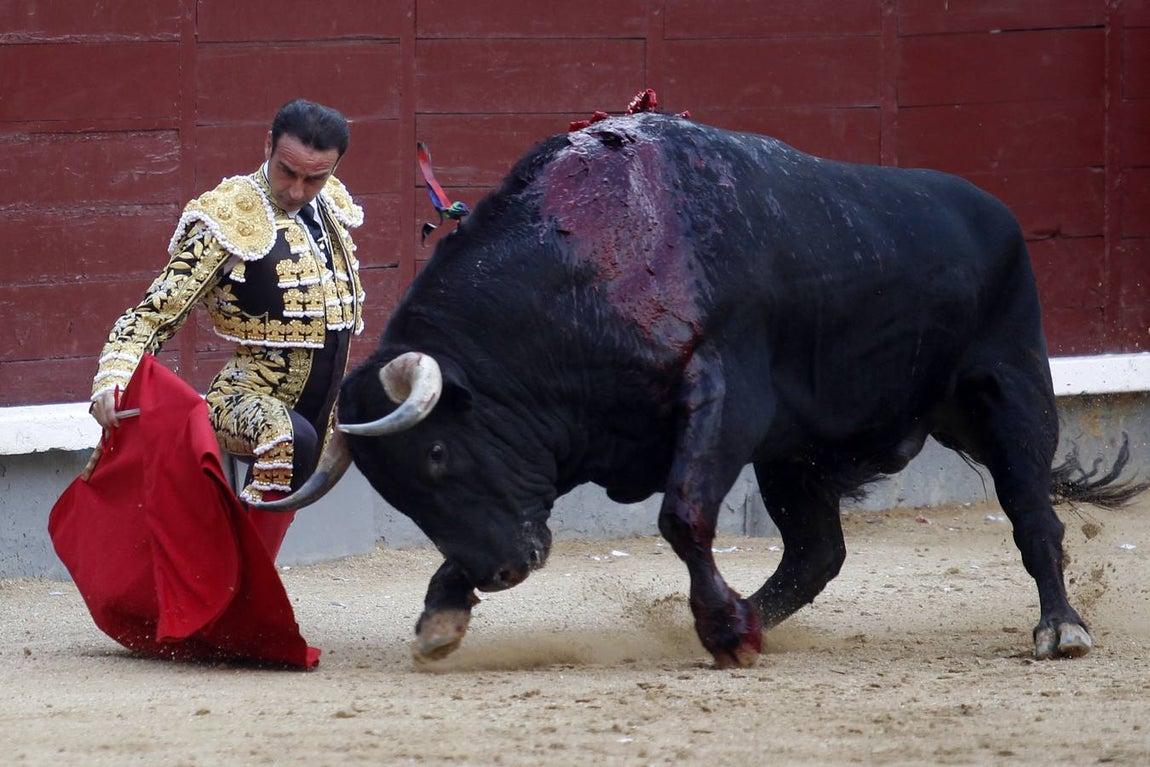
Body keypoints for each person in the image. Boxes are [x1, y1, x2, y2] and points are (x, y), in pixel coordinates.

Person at [86, 98, 365, 558]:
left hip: (319, 408)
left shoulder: (331, 207)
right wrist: (112, 379)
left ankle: (240, 591)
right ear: (268, 146)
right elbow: (152, 314)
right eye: (286, 171)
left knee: (302, 452)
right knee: (286, 438)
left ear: (334, 169)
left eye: (314, 178)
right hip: (242, 402)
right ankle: (251, 603)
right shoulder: (230, 216)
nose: (296, 190)